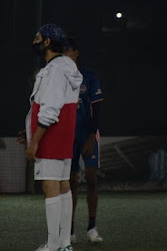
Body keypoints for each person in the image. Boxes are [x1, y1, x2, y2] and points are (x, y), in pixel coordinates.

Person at [19, 24, 82, 251]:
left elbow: (50, 109)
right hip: (63, 135)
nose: (34, 41)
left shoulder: (55, 69)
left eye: (38, 38)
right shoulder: (66, 67)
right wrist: (29, 131)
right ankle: (64, 244)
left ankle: (54, 245)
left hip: (51, 136)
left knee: (50, 186)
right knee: (63, 185)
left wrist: (35, 140)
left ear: (47, 42)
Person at [64, 38, 104, 244]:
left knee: (91, 179)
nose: (65, 54)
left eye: (68, 51)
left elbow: (96, 109)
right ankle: (70, 230)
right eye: (62, 51)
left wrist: (90, 136)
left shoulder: (88, 76)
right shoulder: (59, 78)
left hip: (88, 135)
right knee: (71, 182)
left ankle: (91, 227)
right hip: (68, 137)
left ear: (76, 53)